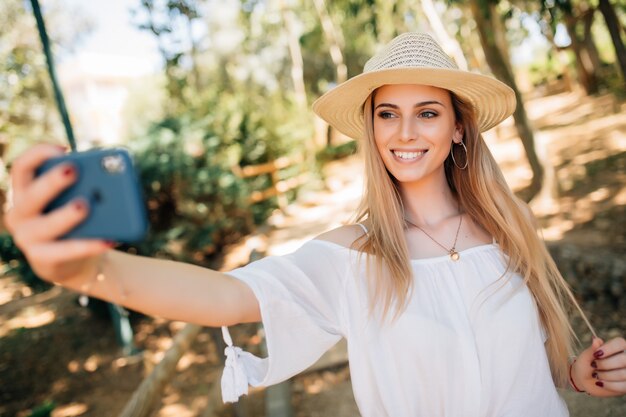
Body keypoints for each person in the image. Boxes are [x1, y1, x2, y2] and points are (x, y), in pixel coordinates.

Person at [4, 32, 625, 416]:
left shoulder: (510, 225)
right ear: (372, 129)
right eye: (387, 114)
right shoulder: (352, 258)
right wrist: (89, 268)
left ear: (458, 127)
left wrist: (581, 375)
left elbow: (539, 368)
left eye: (427, 112)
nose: (405, 132)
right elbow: (225, 298)